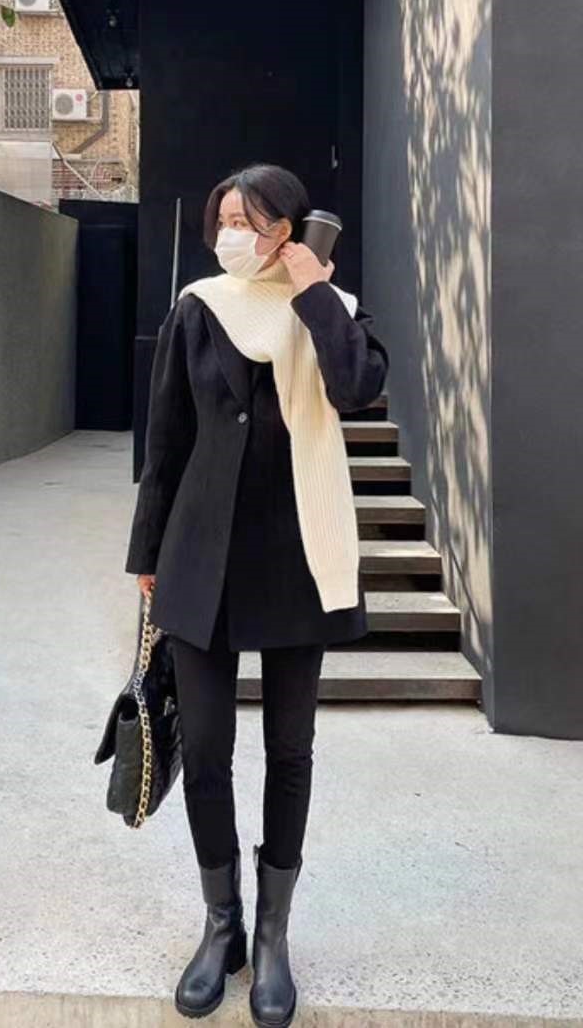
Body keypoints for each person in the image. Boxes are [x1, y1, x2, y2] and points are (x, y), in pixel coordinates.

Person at [124, 162, 390, 1027]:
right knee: (205, 750)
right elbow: (166, 440)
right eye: (224, 220)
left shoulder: (334, 311)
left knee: (289, 750)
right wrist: (147, 556)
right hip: (200, 554)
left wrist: (312, 290)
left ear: (292, 231)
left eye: (251, 221)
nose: (232, 234)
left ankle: (274, 933)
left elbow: (357, 389)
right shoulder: (198, 306)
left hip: (295, 556)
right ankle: (223, 925)